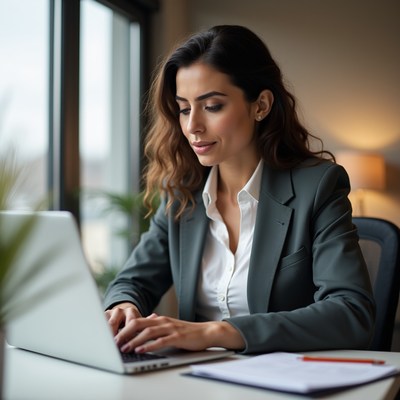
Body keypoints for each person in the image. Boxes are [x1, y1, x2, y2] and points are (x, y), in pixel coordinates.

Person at [104, 25, 375, 355]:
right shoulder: (183, 194)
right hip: (194, 380)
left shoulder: (318, 186)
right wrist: (123, 305)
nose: (192, 127)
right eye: (185, 108)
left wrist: (216, 332)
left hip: (286, 380)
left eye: (212, 106)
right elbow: (132, 281)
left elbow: (351, 312)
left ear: (260, 105)